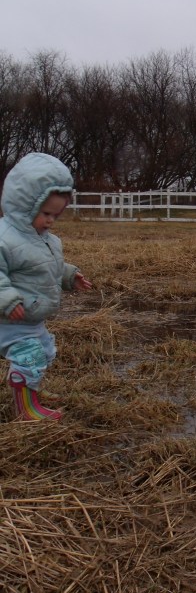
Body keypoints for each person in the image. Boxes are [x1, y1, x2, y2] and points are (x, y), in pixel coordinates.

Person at [0, 152, 92, 421]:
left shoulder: (45, 239)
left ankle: (30, 389)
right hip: (9, 319)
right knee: (29, 356)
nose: (50, 220)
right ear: (23, 205)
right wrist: (7, 299)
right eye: (45, 213)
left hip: (31, 317)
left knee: (45, 352)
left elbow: (45, 266)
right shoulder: (5, 238)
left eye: (56, 214)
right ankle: (26, 410)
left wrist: (68, 275)